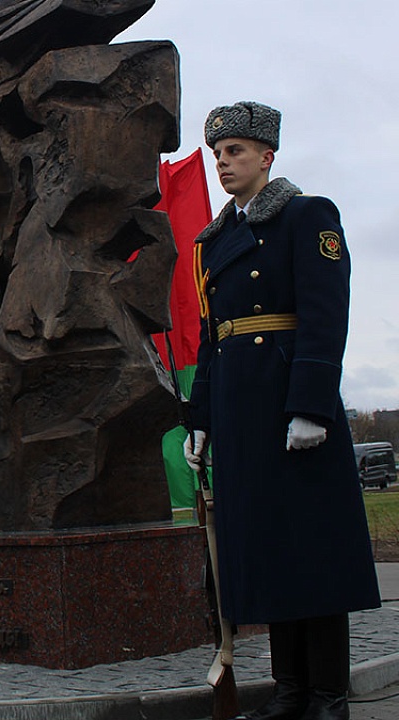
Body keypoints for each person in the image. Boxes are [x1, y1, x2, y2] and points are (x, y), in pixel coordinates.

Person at [184, 101, 381, 720]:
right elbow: (214, 337)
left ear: (267, 156)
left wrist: (311, 406)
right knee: (267, 553)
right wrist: (201, 417)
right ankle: (290, 694)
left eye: (236, 151)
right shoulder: (214, 242)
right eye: (218, 153)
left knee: (311, 552)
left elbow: (326, 316)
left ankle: (327, 696)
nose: (224, 162)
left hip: (290, 403)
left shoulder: (306, 215)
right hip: (241, 412)